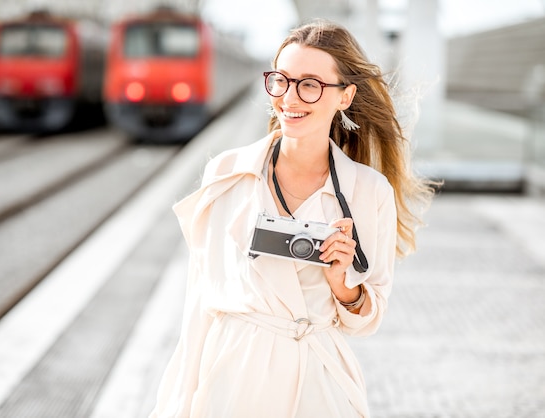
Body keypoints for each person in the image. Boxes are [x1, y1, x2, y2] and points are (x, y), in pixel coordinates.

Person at [150, 19, 434, 418]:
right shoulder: (228, 174)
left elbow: (369, 318)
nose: (289, 98)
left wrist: (344, 287)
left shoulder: (368, 192)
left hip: (318, 379)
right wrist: (179, 404)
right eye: (281, 80)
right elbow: (200, 303)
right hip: (232, 379)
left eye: (310, 84)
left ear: (345, 96)